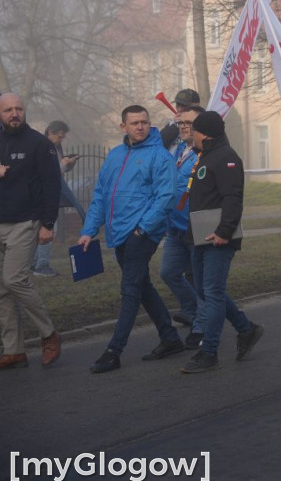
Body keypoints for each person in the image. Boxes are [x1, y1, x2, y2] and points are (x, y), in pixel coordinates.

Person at [80, 105, 184, 374]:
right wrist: (89, 230)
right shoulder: (115, 155)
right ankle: (170, 338)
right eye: (135, 123)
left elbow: (167, 197)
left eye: (145, 122)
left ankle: (114, 351)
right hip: (119, 233)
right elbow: (101, 196)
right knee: (142, 285)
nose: (140, 127)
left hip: (142, 234)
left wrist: (143, 228)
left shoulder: (160, 156)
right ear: (123, 127)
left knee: (130, 290)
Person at [181, 111, 263, 373]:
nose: (190, 134)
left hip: (218, 238)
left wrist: (224, 232)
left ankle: (209, 352)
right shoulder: (204, 156)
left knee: (213, 293)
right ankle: (246, 329)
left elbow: (232, 198)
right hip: (199, 236)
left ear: (203, 133)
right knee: (207, 291)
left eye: (193, 130)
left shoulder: (226, 157)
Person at [0, 93, 62, 369]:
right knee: (2, 289)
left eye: (19, 109)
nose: (14, 114)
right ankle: (14, 350)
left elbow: (52, 185)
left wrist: (48, 224)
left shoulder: (39, 143)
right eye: (8, 110)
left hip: (26, 222)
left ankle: (48, 334)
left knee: (14, 279)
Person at [160, 105, 204, 343]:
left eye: (189, 123)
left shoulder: (203, 152)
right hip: (174, 228)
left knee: (200, 280)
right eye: (181, 123)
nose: (183, 127)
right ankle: (194, 311)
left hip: (194, 227)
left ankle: (201, 325)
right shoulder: (179, 150)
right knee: (168, 273)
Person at [31, 120, 84, 277]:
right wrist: (62, 165)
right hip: (44, 195)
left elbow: (58, 171)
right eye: (59, 137)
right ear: (50, 133)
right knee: (48, 228)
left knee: (42, 229)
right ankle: (41, 265)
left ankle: (34, 264)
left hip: (52, 193)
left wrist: (69, 163)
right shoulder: (42, 147)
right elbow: (46, 173)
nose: (61, 140)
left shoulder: (55, 147)